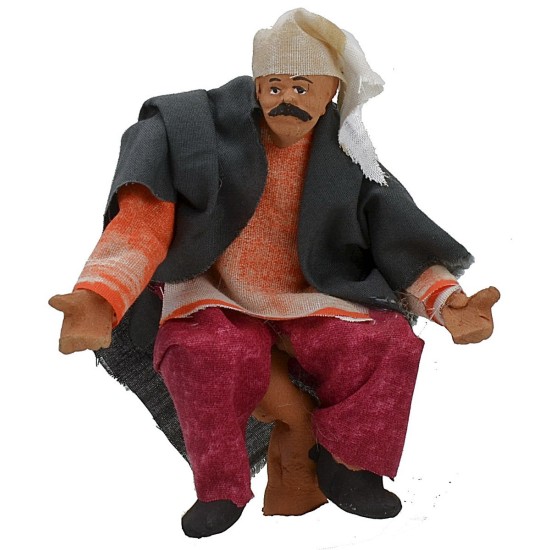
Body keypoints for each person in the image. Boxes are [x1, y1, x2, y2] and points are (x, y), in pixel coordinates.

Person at [49, 8, 499, 539]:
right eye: (274, 86)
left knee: (386, 342)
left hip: (316, 292)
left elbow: (395, 239)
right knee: (203, 353)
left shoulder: (349, 158)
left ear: (332, 92)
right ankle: (220, 486)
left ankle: (351, 465)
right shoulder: (202, 143)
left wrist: (449, 302)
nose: (286, 99)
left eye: (302, 88)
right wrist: (99, 296)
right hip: (215, 291)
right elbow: (144, 224)